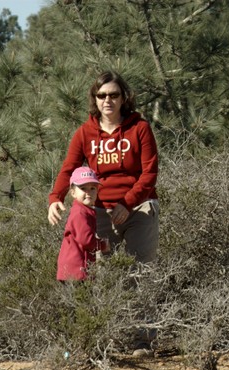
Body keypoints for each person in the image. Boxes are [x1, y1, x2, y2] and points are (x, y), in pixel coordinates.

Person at [48, 71, 159, 264]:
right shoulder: (84, 133)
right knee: (104, 272)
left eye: (114, 95)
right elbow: (69, 168)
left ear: (123, 98)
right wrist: (56, 197)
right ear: (95, 99)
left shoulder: (140, 128)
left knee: (142, 270)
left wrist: (127, 203)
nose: (107, 100)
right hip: (100, 211)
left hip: (139, 207)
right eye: (102, 95)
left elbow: (150, 173)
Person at [56, 166, 108, 281]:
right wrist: (102, 245)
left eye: (93, 188)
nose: (88, 192)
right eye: (83, 188)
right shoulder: (80, 213)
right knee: (81, 292)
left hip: (73, 269)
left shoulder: (84, 210)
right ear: (73, 193)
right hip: (76, 269)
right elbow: (86, 240)